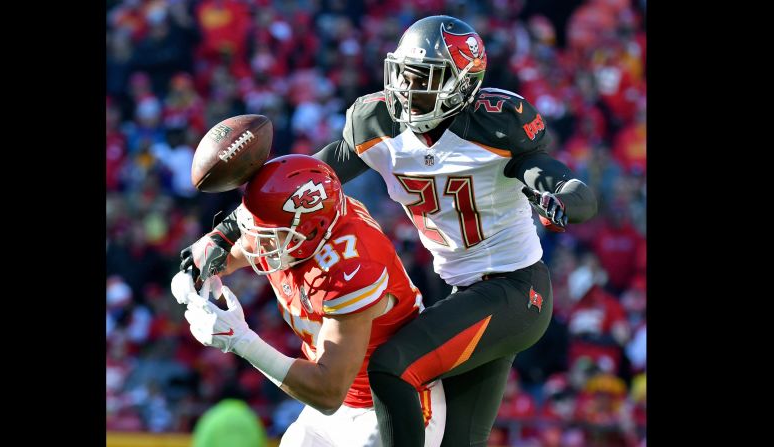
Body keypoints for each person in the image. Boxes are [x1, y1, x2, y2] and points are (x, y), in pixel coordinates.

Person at [181, 15, 597, 447]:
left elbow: (562, 183)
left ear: (461, 84)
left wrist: (563, 198)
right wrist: (226, 234)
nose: (405, 87)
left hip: (515, 289)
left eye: (423, 78)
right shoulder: (379, 122)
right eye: (402, 72)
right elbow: (306, 184)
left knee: (392, 366)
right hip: (460, 289)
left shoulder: (495, 125)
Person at [172, 154, 445, 447]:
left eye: (270, 237)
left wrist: (241, 341)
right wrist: (197, 270)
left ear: (311, 232)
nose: (257, 246)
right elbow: (236, 251)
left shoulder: (351, 268)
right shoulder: (299, 229)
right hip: (339, 406)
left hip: (392, 405)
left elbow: (328, 391)